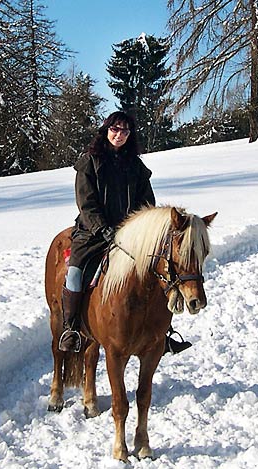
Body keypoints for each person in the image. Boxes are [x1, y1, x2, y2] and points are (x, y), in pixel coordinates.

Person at [58, 111, 192, 355]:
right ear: (106, 130)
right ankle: (72, 327)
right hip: (92, 234)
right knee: (75, 273)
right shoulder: (89, 162)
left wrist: (138, 230)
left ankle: (163, 331)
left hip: (130, 238)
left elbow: (147, 204)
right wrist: (103, 229)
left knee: (159, 272)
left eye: (125, 131)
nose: (119, 135)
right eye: (115, 130)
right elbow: (86, 203)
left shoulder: (136, 167)